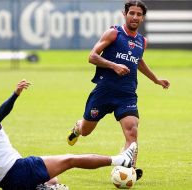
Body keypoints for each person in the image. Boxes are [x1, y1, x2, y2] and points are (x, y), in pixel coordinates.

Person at [0, 79, 137, 190]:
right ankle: (121, 160)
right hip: (20, 169)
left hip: (6, 184)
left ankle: (42, 188)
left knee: (53, 181)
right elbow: (4, 111)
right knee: (71, 160)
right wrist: (15, 94)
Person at [67, 0, 170, 181]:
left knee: (132, 132)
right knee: (86, 131)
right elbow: (92, 56)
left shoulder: (142, 41)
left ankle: (130, 169)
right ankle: (77, 126)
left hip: (127, 94)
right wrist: (114, 65)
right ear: (125, 14)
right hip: (104, 92)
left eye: (139, 14)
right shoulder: (114, 33)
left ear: (143, 18)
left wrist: (156, 80)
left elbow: (139, 61)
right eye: (132, 13)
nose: (135, 17)